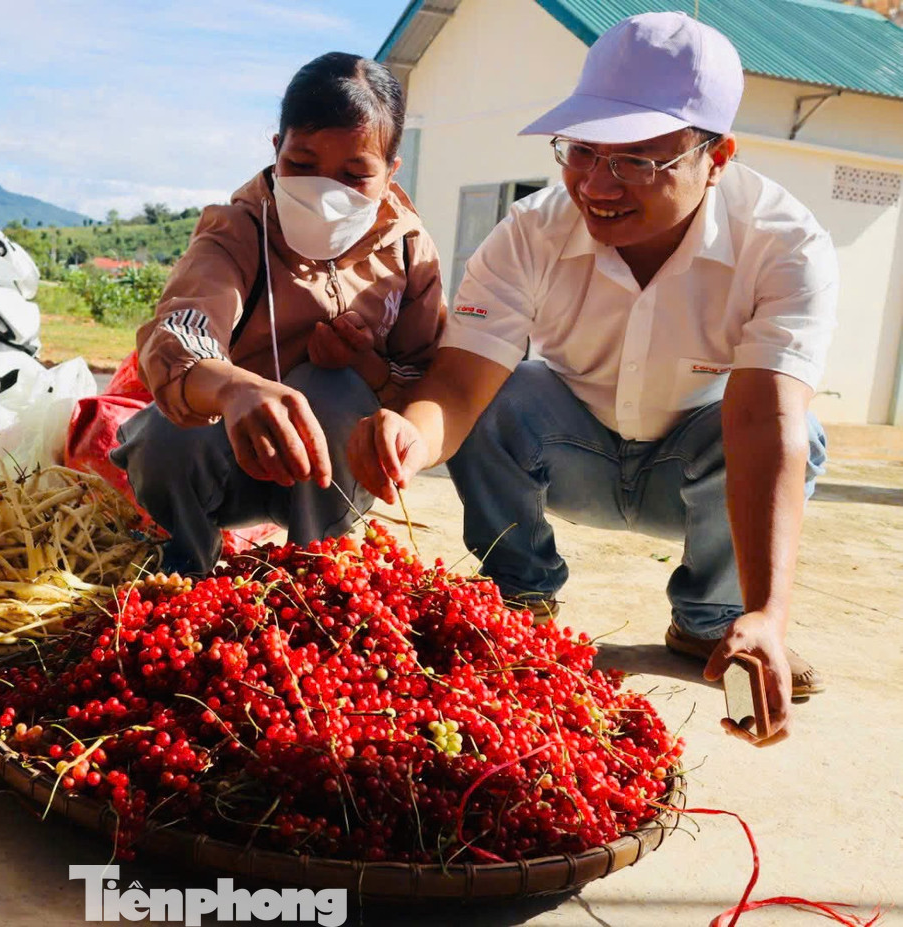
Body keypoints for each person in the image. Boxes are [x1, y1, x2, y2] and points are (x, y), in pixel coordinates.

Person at [347, 12, 835, 747]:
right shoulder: (530, 232)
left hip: (697, 472)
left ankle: (712, 619)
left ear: (719, 155)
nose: (598, 184)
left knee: (800, 436)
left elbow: (764, 421)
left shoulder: (784, 245)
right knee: (507, 395)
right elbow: (459, 385)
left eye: (639, 158)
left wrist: (766, 614)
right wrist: (408, 432)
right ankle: (519, 599)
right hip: (570, 450)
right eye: (581, 151)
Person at [112, 52, 446, 576]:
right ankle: (186, 572)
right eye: (303, 165)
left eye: (355, 174)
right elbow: (181, 331)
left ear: (390, 172)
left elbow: (427, 375)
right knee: (162, 437)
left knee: (331, 386)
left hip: (333, 478)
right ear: (277, 150)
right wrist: (233, 389)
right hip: (232, 462)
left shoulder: (408, 251)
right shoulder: (238, 230)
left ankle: (318, 575)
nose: (325, 192)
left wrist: (365, 367)